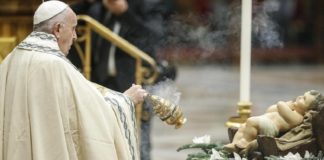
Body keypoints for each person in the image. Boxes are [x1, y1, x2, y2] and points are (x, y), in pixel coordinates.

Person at [0, 1, 147, 160]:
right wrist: (125, 101)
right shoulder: (56, 65)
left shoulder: (11, 58)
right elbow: (89, 112)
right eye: (73, 28)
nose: (76, 36)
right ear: (57, 29)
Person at [224, 90, 323, 153]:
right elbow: (270, 109)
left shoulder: (298, 117)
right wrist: (287, 105)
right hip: (264, 123)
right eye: (303, 95)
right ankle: (235, 144)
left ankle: (245, 142)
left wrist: (286, 104)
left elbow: (280, 105)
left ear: (307, 110)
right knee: (243, 127)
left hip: (271, 128)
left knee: (251, 121)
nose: (300, 97)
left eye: (304, 99)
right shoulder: (291, 109)